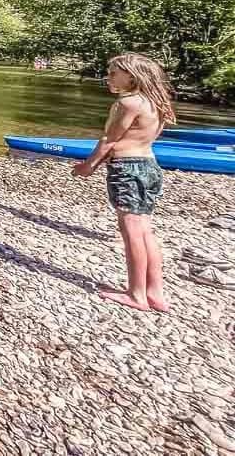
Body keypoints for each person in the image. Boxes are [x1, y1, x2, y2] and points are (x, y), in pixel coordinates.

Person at [71, 52, 176, 312]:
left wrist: (89, 165)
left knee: (130, 232)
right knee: (145, 230)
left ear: (132, 75)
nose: (109, 77)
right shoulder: (156, 102)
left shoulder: (128, 103)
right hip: (150, 166)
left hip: (127, 169)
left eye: (114, 72)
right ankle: (155, 293)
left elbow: (110, 139)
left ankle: (136, 294)